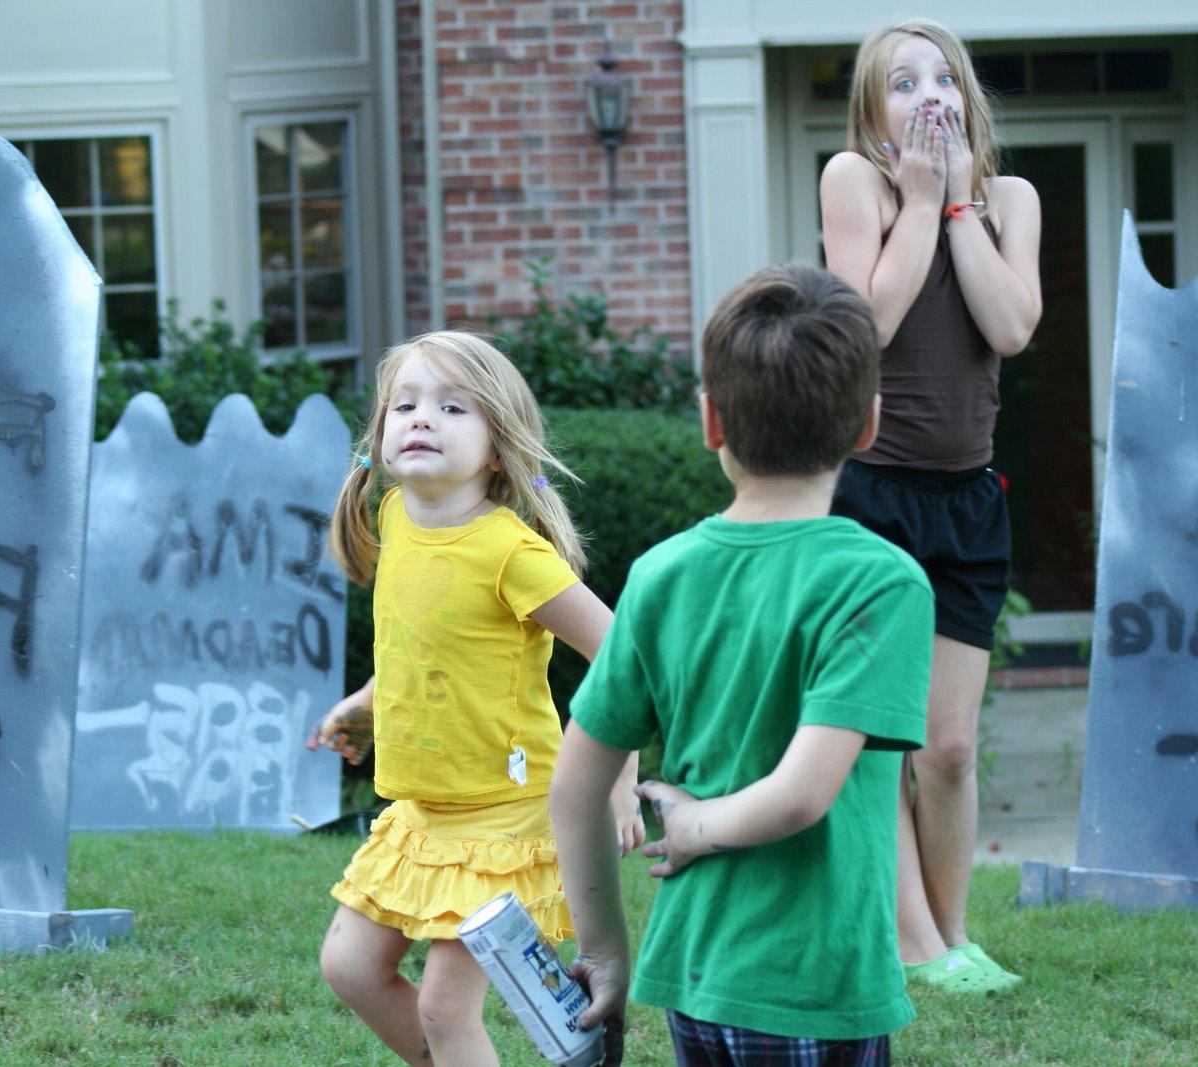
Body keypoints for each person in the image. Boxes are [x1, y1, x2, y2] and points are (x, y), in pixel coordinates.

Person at [551, 263, 934, 1064]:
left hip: (697, 974)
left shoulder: (662, 573)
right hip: (814, 982)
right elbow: (801, 796)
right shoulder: (882, 583)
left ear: (710, 421)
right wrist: (696, 825)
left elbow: (577, 784)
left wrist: (610, 953)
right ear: (869, 423)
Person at [306, 330, 643, 1066]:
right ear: (380, 435)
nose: (422, 418)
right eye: (406, 404)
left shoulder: (510, 552)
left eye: (452, 407)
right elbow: (417, 643)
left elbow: (625, 657)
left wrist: (620, 776)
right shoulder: (395, 519)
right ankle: (531, 1044)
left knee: (443, 1005)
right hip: (426, 809)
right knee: (351, 967)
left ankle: (552, 1034)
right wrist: (366, 700)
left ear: (497, 447)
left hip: (508, 815)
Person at [819, 16, 1042, 993]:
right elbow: (863, 323)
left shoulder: (1011, 198)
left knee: (946, 747)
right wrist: (913, 200)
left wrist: (955, 207)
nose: (928, 97)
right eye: (903, 84)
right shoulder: (851, 181)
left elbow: (1010, 323)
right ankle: (912, 943)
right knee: (880, 735)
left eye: (941, 79)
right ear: (874, 113)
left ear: (968, 99)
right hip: (872, 494)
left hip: (968, 501)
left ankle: (952, 934)